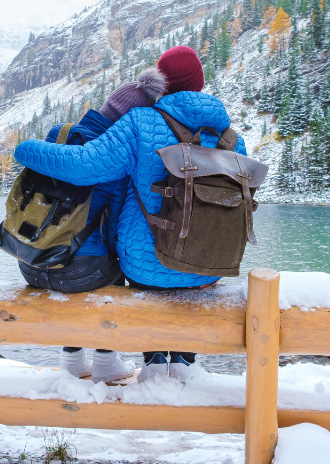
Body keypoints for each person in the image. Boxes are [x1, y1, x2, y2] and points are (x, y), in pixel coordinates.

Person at [13, 46, 246, 382]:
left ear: (161, 84)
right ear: (200, 82)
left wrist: (25, 149)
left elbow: (82, 165)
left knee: (138, 254)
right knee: (191, 262)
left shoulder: (141, 123)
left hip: (147, 267)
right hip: (209, 266)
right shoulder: (232, 139)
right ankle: (184, 362)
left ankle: (152, 362)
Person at [19, 70, 166, 383]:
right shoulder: (117, 156)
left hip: (28, 262)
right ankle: (105, 360)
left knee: (72, 247)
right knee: (114, 266)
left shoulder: (60, 133)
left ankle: (72, 357)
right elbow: (113, 230)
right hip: (75, 274)